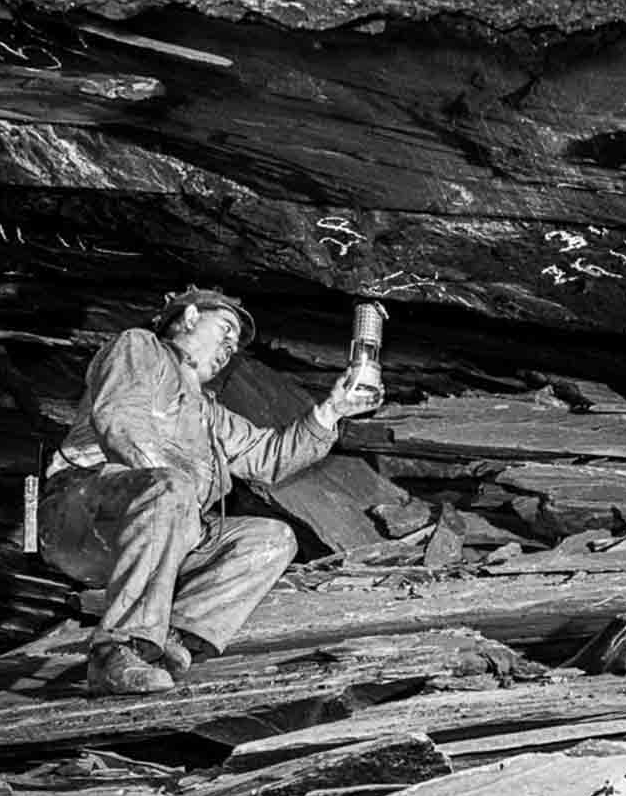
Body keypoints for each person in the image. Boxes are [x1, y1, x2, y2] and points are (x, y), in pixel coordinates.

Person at [38, 286, 384, 695]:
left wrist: (332, 410)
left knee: (270, 539)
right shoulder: (140, 348)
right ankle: (117, 650)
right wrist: (176, 492)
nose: (230, 347)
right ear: (187, 318)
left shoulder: (210, 414)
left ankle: (175, 639)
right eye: (224, 329)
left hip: (164, 527)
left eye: (235, 343)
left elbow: (269, 457)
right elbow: (121, 421)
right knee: (171, 488)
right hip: (83, 510)